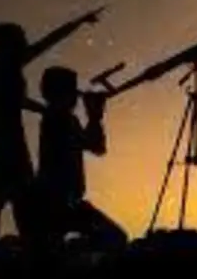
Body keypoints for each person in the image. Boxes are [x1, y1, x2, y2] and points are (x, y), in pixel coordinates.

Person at [0, 6, 105, 244]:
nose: (27, 43)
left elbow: (47, 43)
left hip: (12, 134)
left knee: (17, 194)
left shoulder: (8, 67)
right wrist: (46, 110)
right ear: (8, 44)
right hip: (2, 136)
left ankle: (24, 243)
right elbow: (15, 99)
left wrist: (77, 23)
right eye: (21, 40)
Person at [33, 66, 128, 251]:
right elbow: (96, 146)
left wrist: (95, 118)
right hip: (58, 205)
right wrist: (94, 117)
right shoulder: (59, 119)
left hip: (63, 204)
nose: (77, 98)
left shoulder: (62, 119)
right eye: (73, 92)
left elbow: (97, 147)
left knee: (113, 238)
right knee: (115, 238)